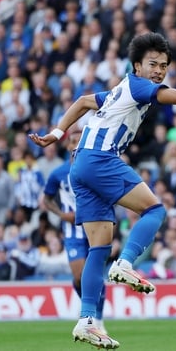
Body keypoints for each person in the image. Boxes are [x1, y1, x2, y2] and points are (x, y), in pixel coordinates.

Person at [29, 32, 176, 349]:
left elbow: (82, 102)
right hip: (99, 159)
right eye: (153, 64)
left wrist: (56, 133)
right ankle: (127, 263)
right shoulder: (139, 86)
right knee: (155, 210)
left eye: (163, 66)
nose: (159, 71)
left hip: (80, 168)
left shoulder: (120, 90)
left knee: (99, 249)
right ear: (137, 66)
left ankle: (87, 320)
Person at [39, 128, 108, 333]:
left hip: (95, 227)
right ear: (67, 146)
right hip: (73, 231)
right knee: (79, 277)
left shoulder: (95, 168)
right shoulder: (58, 173)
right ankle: (90, 308)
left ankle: (98, 319)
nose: (76, 144)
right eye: (73, 141)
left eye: (80, 141)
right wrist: (61, 215)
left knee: (94, 274)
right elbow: (47, 199)